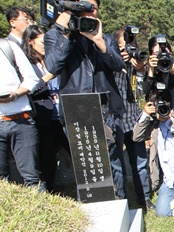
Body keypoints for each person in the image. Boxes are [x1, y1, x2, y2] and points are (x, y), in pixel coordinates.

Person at [44, 0, 127, 199]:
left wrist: (99, 42)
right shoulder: (55, 35)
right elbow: (53, 67)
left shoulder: (105, 38)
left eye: (93, 8)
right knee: (87, 169)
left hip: (106, 109)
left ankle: (121, 206)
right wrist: (64, 33)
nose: (89, 12)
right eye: (84, 7)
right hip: (77, 110)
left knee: (114, 163)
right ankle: (94, 211)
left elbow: (118, 65)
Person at [22, 25, 70, 193]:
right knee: (48, 158)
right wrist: (45, 78)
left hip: (61, 115)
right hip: (44, 117)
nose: (44, 45)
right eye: (41, 41)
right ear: (30, 42)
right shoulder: (27, 64)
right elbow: (28, 89)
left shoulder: (52, 60)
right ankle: (50, 191)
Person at [112, 27, 155, 210]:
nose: (130, 48)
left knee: (140, 163)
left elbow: (139, 92)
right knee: (118, 166)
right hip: (115, 121)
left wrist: (139, 71)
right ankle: (121, 201)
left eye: (133, 43)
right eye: (126, 44)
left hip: (133, 119)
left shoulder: (135, 66)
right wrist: (117, 61)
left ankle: (144, 197)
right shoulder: (111, 63)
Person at [0, 32, 41, 190]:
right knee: (1, 181)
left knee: (32, 176)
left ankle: (41, 211)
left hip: (21, 120)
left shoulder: (8, 47)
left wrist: (15, 94)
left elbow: (32, 79)